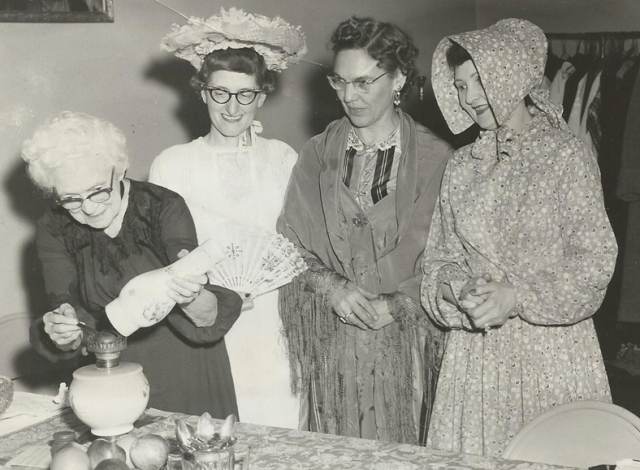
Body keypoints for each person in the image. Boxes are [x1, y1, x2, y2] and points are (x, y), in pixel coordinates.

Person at [422, 19, 617, 456]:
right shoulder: (460, 167)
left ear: (510, 71)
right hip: (475, 361)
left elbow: (595, 263)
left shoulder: (565, 154)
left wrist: (517, 296)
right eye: (459, 86)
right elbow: (438, 259)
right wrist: (457, 290)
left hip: (552, 355)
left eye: (479, 80)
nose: (469, 98)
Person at [277, 16, 452, 444]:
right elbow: (289, 246)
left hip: (406, 344)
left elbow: (452, 255)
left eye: (364, 82)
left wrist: (401, 303)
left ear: (399, 80)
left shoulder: (438, 159)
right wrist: (331, 288)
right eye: (339, 82)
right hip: (334, 345)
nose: (348, 96)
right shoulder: (317, 154)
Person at [24, 111, 242, 417]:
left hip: (186, 365)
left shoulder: (162, 206)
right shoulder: (54, 227)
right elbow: (66, 308)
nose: (88, 208)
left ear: (121, 168)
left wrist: (192, 293)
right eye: (70, 198)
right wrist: (64, 331)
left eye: (98, 190)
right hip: (109, 374)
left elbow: (206, 316)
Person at [149, 8, 307, 429]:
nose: (232, 108)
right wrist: (217, 294)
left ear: (261, 96)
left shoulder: (283, 158)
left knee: (281, 427)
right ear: (202, 92)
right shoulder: (172, 165)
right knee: (218, 433)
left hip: (276, 321)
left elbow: (299, 242)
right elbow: (166, 257)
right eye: (221, 93)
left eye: (245, 95)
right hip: (208, 320)